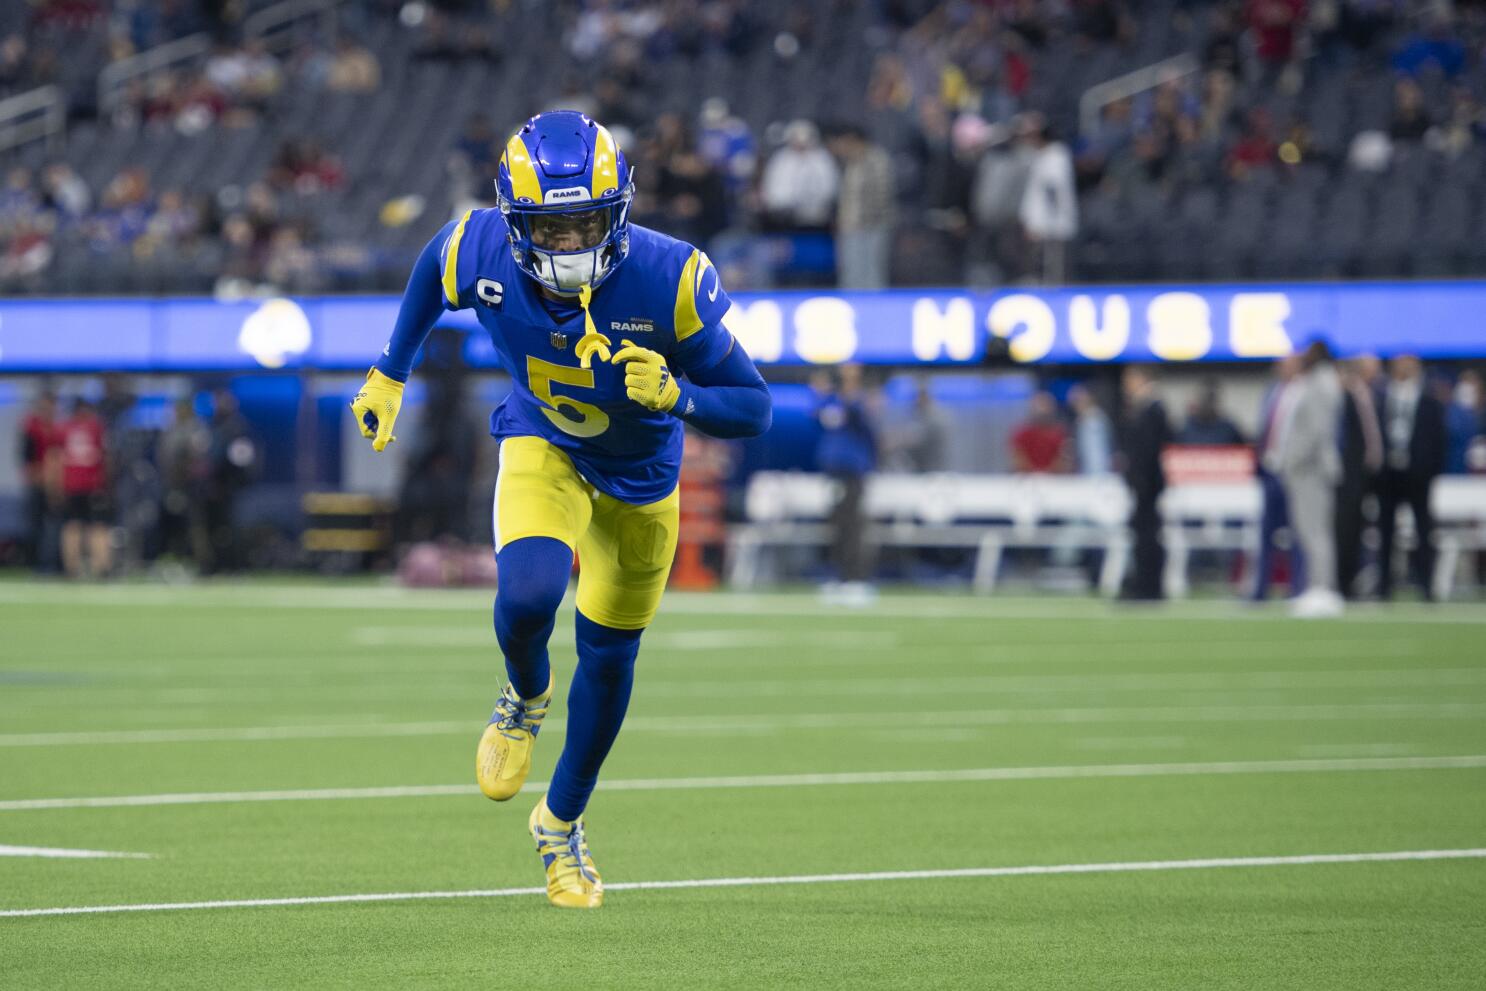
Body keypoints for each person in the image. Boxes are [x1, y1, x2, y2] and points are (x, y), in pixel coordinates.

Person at [350, 111, 771, 910]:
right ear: (516, 221)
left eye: (588, 222)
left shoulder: (671, 277)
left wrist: (680, 394)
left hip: (641, 483)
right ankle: (524, 695)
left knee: (610, 661)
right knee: (529, 597)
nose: (573, 243)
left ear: (620, 211)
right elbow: (431, 266)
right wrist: (389, 371)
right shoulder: (480, 248)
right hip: (545, 446)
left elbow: (754, 408)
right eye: (553, 224)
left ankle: (561, 823)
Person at [1272, 341, 1345, 617]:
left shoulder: (1322, 383)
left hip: (1311, 469)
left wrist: (1292, 461)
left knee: (1315, 531)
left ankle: (1322, 589)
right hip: (1307, 468)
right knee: (1309, 531)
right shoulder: (1317, 381)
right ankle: (1317, 587)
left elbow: (1317, 431)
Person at [1376, 354, 1446, 600]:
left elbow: (1438, 439)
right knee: (1385, 531)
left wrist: (1430, 470)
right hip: (1389, 475)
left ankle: (1427, 585)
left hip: (1418, 474)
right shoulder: (1382, 398)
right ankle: (1383, 586)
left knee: (1423, 530)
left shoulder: (1428, 400)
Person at [1251, 353, 1304, 600]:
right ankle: (1260, 589)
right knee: (1266, 534)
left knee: (1298, 534)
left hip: (1296, 474)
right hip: (1270, 472)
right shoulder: (1272, 392)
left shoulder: (1305, 393)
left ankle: (1298, 589)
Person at [1119, 366, 1171, 600]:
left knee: (1148, 535)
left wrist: (1139, 478)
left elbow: (1148, 450)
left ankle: (1148, 586)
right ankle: (1143, 583)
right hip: (1143, 482)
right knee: (1142, 534)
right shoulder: (1146, 407)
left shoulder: (1152, 408)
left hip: (1147, 484)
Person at [1336, 358, 1383, 599]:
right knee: (1345, 531)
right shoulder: (1345, 397)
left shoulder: (1373, 394)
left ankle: (1358, 582)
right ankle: (1344, 584)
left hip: (1370, 475)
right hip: (1349, 477)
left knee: (1360, 531)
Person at [829, 124, 895, 289]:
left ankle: (874, 310)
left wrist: (865, 219)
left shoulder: (877, 160)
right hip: (849, 227)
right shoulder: (849, 164)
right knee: (850, 273)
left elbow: (882, 194)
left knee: (872, 272)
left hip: (872, 226)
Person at [52, 398, 112, 579]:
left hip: (73, 485)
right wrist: (106, 483)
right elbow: (105, 458)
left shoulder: (64, 428)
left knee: (74, 526)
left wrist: (56, 486)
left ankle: (73, 569)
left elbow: (55, 459)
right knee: (96, 527)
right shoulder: (96, 428)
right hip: (92, 485)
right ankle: (100, 568)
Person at [20, 389, 59, 570]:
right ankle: (34, 563)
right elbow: (27, 459)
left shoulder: (57, 429)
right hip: (37, 484)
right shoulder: (31, 428)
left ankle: (51, 563)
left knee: (53, 527)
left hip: (55, 486)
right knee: (35, 526)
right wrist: (39, 478)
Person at [1010, 391, 1069, 473]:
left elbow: (1064, 458)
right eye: (1039, 405)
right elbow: (1017, 456)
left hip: (1055, 479)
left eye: (1045, 405)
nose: (1042, 409)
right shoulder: (1021, 432)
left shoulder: (1061, 433)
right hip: (1026, 478)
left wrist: (1048, 473)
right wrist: (1033, 473)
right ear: (1032, 407)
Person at [1069, 384, 1113, 476]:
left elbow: (1096, 454)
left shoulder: (1093, 420)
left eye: (1077, 400)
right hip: (1088, 472)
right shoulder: (1084, 419)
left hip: (1095, 474)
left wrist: (1094, 475)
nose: (1075, 405)